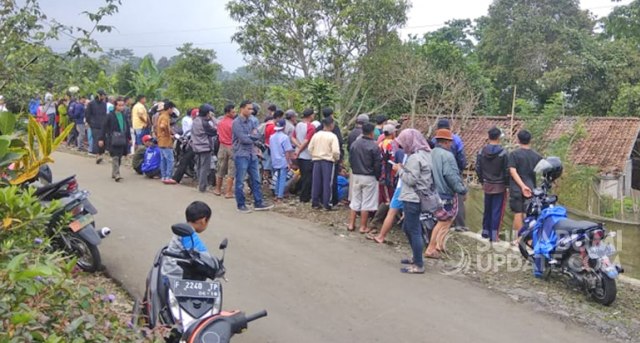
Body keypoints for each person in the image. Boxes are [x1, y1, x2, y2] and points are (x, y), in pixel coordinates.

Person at [392, 129, 433, 274]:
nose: (403, 147)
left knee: (413, 230)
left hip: (413, 197)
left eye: (404, 143)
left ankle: (418, 264)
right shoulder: (426, 154)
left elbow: (411, 179)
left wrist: (399, 170)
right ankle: (416, 257)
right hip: (418, 196)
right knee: (407, 228)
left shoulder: (415, 158)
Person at [425, 129, 468, 259]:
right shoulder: (447, 156)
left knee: (447, 220)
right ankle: (431, 248)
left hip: (433, 191)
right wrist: (462, 189)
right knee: (443, 221)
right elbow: (451, 175)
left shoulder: (431, 153)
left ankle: (440, 245)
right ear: (447, 142)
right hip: (445, 193)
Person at [232, 100, 273, 213]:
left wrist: (251, 137)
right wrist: (252, 137)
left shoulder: (252, 121)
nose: (251, 111)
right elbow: (244, 139)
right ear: (242, 109)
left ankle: (258, 202)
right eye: (249, 109)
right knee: (240, 181)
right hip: (241, 154)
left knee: (256, 179)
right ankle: (241, 204)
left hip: (252, 153)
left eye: (251, 109)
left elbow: (257, 135)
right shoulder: (236, 122)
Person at [433, 119, 468, 232]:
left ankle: (436, 220)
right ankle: (459, 224)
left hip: (435, 173)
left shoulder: (434, 140)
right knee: (458, 198)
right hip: (452, 171)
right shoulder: (456, 139)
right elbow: (461, 157)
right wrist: (460, 170)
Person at [161, 201, 214, 277]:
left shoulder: (185, 229)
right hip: (175, 273)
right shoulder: (188, 234)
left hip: (171, 267)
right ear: (203, 220)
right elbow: (204, 255)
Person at [508, 129, 543, 243]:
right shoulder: (536, 156)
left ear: (518, 140)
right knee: (528, 214)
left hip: (517, 188)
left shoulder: (514, 154)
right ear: (530, 140)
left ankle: (518, 239)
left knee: (518, 213)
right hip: (531, 187)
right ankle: (527, 240)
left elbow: (513, 171)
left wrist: (522, 186)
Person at [476, 127, 509, 242]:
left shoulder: (481, 152)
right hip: (500, 185)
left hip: (487, 184)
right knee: (497, 210)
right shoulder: (504, 153)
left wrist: (481, 180)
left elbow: (478, 168)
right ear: (499, 137)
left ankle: (485, 231)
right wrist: (507, 184)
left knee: (487, 208)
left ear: (488, 136)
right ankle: (494, 235)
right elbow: (506, 170)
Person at [347, 123, 381, 232]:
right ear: (372, 133)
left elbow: (351, 160)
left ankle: (351, 224)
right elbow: (377, 164)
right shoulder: (374, 146)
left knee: (355, 200)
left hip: (356, 175)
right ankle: (363, 226)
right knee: (367, 202)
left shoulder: (355, 144)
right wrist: (377, 176)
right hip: (369, 176)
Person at [308, 117, 340, 210]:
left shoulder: (316, 135)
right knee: (327, 183)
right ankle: (327, 203)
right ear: (331, 125)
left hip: (316, 160)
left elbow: (310, 148)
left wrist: (314, 155)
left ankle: (315, 202)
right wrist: (336, 158)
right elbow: (335, 151)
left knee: (316, 182)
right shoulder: (332, 136)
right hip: (328, 161)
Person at [318, 107, 344, 207]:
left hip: (318, 157)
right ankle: (332, 200)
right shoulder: (334, 128)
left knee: (320, 179)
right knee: (331, 180)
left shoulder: (319, 128)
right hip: (331, 158)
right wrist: (338, 158)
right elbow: (340, 142)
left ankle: (320, 199)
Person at [192, 104, 218, 193]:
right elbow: (216, 130)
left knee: (199, 166)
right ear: (207, 113)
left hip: (196, 146)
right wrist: (213, 119)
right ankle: (202, 187)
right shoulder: (205, 123)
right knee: (204, 168)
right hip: (204, 147)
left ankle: (200, 184)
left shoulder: (195, 120)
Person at [103, 98, 131, 182]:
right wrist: (102, 138)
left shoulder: (124, 115)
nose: (121, 107)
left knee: (119, 156)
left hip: (122, 138)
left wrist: (129, 138)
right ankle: (117, 173)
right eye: (119, 105)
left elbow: (127, 127)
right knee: (115, 156)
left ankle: (114, 172)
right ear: (115, 106)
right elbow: (104, 127)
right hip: (113, 138)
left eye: (122, 105)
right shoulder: (110, 115)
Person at [293, 108, 316, 203]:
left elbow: (293, 137)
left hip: (299, 155)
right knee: (308, 177)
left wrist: (298, 148)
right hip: (307, 155)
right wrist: (300, 149)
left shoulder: (298, 125)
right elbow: (307, 141)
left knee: (303, 175)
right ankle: (305, 197)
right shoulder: (311, 127)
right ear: (310, 116)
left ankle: (301, 195)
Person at [269, 119, 294, 203]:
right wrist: (288, 162)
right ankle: (280, 196)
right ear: (283, 127)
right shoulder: (285, 137)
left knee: (277, 176)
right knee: (282, 178)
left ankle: (276, 194)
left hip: (275, 159)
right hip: (283, 160)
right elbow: (287, 151)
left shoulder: (272, 137)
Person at [214, 103, 236, 197]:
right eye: (233, 111)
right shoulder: (234, 123)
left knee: (220, 168)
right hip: (232, 147)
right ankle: (228, 192)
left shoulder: (220, 123)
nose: (234, 113)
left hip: (222, 146)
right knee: (231, 170)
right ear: (228, 112)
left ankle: (217, 189)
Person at [156, 101, 177, 184]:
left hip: (161, 141)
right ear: (169, 108)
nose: (172, 111)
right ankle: (168, 177)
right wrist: (168, 134)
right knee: (170, 160)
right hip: (166, 141)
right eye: (172, 109)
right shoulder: (165, 116)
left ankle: (164, 176)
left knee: (163, 160)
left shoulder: (161, 115)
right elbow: (163, 126)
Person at [85, 89, 109, 164]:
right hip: (94, 125)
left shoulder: (104, 104)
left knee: (103, 140)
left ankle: (101, 155)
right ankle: (97, 155)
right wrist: (89, 123)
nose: (104, 96)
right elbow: (87, 114)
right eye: (103, 95)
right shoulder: (91, 104)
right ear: (99, 95)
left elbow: (105, 114)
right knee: (97, 140)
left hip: (103, 125)